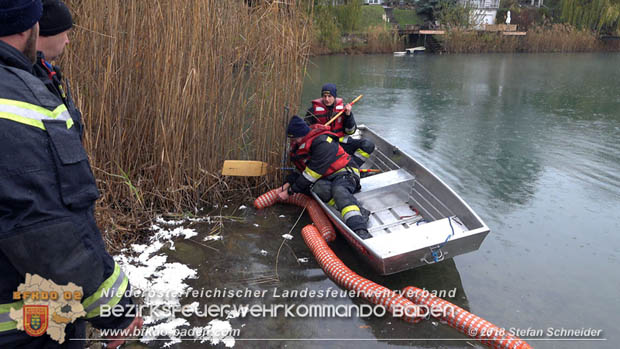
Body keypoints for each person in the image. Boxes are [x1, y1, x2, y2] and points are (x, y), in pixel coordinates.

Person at [0, 1, 142, 347]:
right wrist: (113, 309)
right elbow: (43, 224)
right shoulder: (21, 104)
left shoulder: (32, 82)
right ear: (26, 27)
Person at [278, 116, 371, 239]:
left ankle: (359, 229)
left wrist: (290, 192)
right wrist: (287, 183)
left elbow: (311, 174)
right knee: (318, 188)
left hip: (345, 172)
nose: (293, 142)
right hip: (326, 177)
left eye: (295, 139)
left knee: (339, 190)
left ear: (303, 135)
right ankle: (360, 210)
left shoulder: (323, 143)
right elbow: (300, 171)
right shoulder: (299, 146)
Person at [33, 0, 84, 138]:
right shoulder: (32, 78)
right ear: (47, 34)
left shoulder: (46, 73)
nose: (67, 41)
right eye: (65, 33)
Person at [304, 83, 375, 167]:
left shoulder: (344, 109)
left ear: (334, 96)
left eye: (330, 96)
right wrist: (316, 129)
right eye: (324, 96)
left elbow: (350, 131)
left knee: (368, 145)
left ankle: (352, 166)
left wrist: (348, 115)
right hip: (324, 146)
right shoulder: (312, 111)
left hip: (341, 144)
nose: (327, 99)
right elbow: (305, 132)